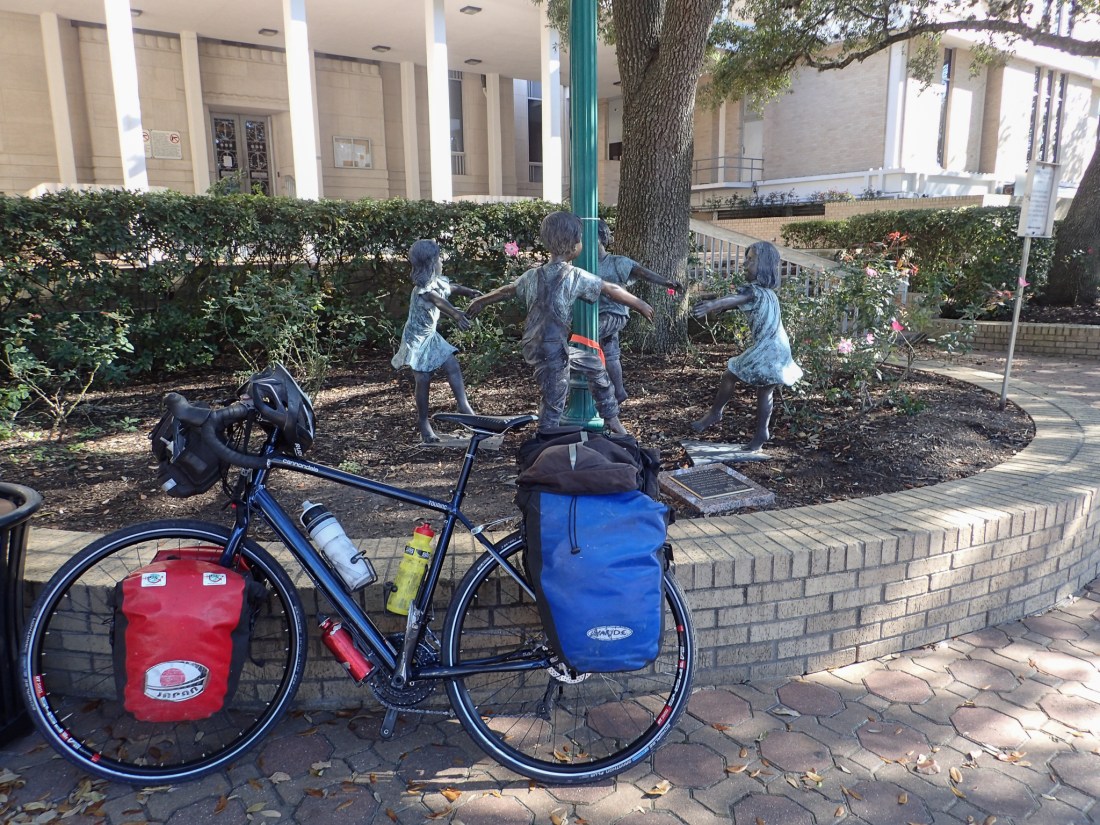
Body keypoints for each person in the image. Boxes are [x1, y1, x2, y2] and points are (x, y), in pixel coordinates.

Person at [466, 211, 654, 434]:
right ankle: (544, 447)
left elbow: (507, 290)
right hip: (551, 350)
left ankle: (612, 420)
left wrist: (482, 300)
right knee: (554, 402)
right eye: (581, 239)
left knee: (594, 365)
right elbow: (609, 288)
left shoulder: (532, 275)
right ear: (575, 244)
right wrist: (639, 304)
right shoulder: (574, 275)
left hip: (546, 345)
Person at [690, 240, 803, 451]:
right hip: (779, 348)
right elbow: (741, 303)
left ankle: (716, 412)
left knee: (730, 374)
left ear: (764, 265)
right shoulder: (769, 295)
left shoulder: (755, 292)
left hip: (769, 348)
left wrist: (713, 305)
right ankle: (761, 433)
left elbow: (737, 299)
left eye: (750, 260)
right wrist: (724, 307)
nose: (744, 264)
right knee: (765, 390)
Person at [391, 239, 480, 444]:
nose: (442, 262)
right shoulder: (423, 289)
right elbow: (439, 302)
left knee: (452, 366)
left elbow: (451, 288)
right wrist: (457, 315)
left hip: (430, 336)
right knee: (422, 379)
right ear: (431, 263)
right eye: (439, 259)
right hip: (417, 339)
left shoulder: (437, 281)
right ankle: (424, 423)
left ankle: (463, 406)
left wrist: (467, 291)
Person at [595, 219, 682, 403]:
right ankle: (618, 392)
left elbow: (643, 273)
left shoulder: (617, 262)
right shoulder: (582, 264)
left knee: (587, 335)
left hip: (614, 313)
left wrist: (666, 282)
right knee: (610, 354)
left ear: (600, 238)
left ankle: (598, 389)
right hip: (593, 313)